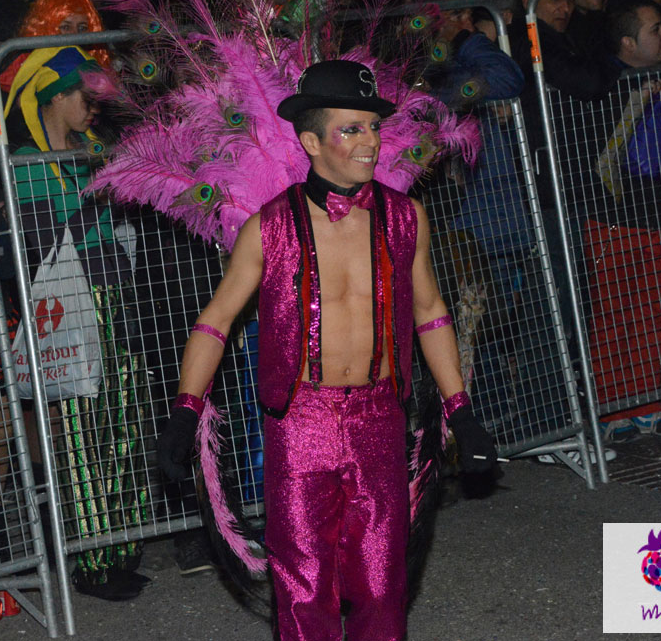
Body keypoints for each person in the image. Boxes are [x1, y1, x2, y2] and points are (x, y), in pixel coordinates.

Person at [155, 59, 497, 640]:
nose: (370, 143)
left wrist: (460, 411)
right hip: (301, 422)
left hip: (379, 415)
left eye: (373, 127)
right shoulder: (268, 227)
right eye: (352, 129)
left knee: (382, 580)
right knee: (304, 582)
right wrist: (184, 415)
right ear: (310, 141)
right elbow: (215, 319)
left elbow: (430, 310)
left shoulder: (405, 217)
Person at [3, 27, 148, 602]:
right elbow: (45, 241)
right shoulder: (29, 162)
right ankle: (92, 561)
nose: (93, 104)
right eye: (82, 93)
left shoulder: (91, 152)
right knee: (84, 434)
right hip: (75, 303)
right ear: (52, 97)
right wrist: (105, 196)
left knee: (128, 419)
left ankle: (124, 546)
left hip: (119, 296)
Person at [587, 0, 661, 441]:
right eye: (656, 29)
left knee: (654, 316)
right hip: (614, 221)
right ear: (629, 42)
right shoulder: (600, 83)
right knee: (612, 316)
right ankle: (613, 406)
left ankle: (646, 401)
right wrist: (639, 101)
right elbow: (603, 161)